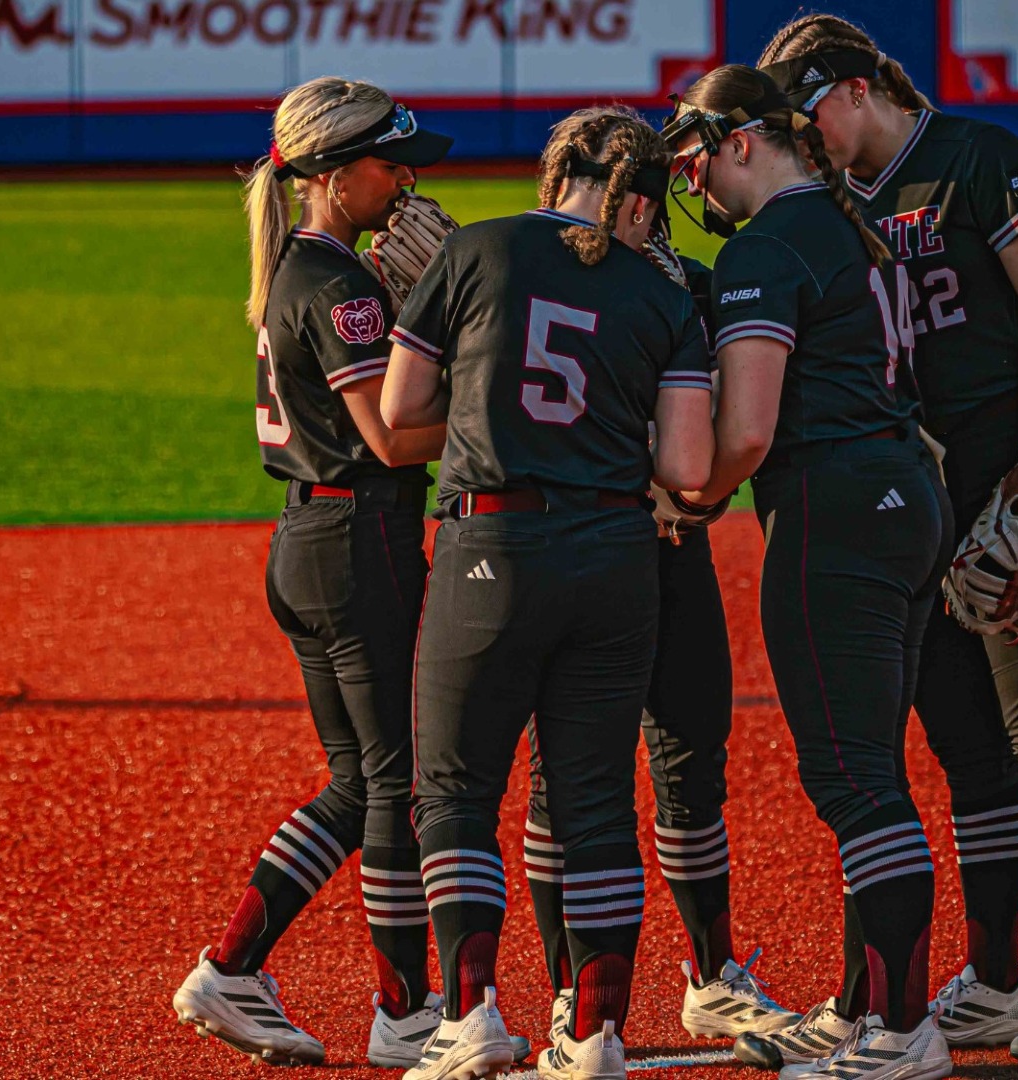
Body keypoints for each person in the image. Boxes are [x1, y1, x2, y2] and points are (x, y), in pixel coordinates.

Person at [759, 17, 1018, 1068]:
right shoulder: (832, 206)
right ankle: (997, 985)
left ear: (865, 84)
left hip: (1014, 473)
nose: (807, 133)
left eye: (812, 108)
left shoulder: (977, 156)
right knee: (965, 746)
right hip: (912, 493)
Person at [382, 106, 714, 1080]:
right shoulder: (662, 298)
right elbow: (689, 466)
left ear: (556, 169)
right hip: (618, 551)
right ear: (643, 202)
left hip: (495, 539)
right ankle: (598, 1034)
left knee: (455, 790)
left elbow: (401, 410)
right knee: (598, 803)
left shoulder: (479, 250)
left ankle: (472, 1014)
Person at [663, 65, 954, 1079]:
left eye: (697, 163)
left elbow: (744, 432)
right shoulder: (842, 225)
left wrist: (686, 500)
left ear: (744, 143)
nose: (692, 189)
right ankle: (863, 1007)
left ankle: (903, 1033)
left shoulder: (766, 247)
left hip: (833, 509)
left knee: (853, 779)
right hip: (904, 495)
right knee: (873, 765)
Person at [169, 75, 458, 1069]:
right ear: (332, 174)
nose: (409, 181)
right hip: (356, 541)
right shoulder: (337, 286)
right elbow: (391, 438)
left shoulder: (307, 266)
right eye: (391, 162)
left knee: (356, 782)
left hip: (311, 541)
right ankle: (406, 1011)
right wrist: (492, 401)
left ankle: (233, 968)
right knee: (395, 782)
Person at [518, 122, 796, 1047]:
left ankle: (712, 975)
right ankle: (568, 990)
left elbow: (738, 411)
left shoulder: (694, 287)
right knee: (569, 775)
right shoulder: (520, 272)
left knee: (691, 755)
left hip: (670, 552)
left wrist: (692, 495)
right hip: (576, 548)